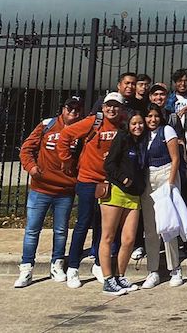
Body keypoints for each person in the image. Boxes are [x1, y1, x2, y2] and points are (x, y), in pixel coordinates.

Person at [58, 91, 125, 289]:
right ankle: (73, 267)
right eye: (108, 106)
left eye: (116, 106)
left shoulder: (123, 123)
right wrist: (66, 159)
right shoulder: (93, 122)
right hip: (88, 180)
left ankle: (98, 263)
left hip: (110, 181)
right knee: (83, 223)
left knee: (104, 225)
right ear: (103, 107)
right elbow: (66, 135)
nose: (111, 109)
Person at [15, 96, 83, 288]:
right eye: (70, 108)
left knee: (60, 231)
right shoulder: (47, 125)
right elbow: (27, 149)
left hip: (65, 189)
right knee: (32, 230)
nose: (73, 112)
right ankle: (27, 267)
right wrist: (32, 168)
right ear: (63, 109)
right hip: (41, 188)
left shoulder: (81, 130)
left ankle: (57, 264)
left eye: (77, 110)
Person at [100, 112, 147, 295]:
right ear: (128, 124)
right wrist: (124, 179)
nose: (138, 126)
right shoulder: (122, 138)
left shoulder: (141, 143)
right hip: (116, 192)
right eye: (134, 123)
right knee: (108, 236)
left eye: (140, 123)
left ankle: (120, 275)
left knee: (128, 239)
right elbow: (109, 165)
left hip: (134, 195)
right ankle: (108, 279)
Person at [139, 104, 183, 289]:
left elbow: (175, 159)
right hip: (147, 178)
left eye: (155, 116)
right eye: (148, 116)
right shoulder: (141, 133)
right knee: (150, 227)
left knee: (168, 224)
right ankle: (153, 270)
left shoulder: (167, 130)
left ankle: (175, 269)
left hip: (165, 175)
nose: (152, 120)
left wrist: (171, 184)